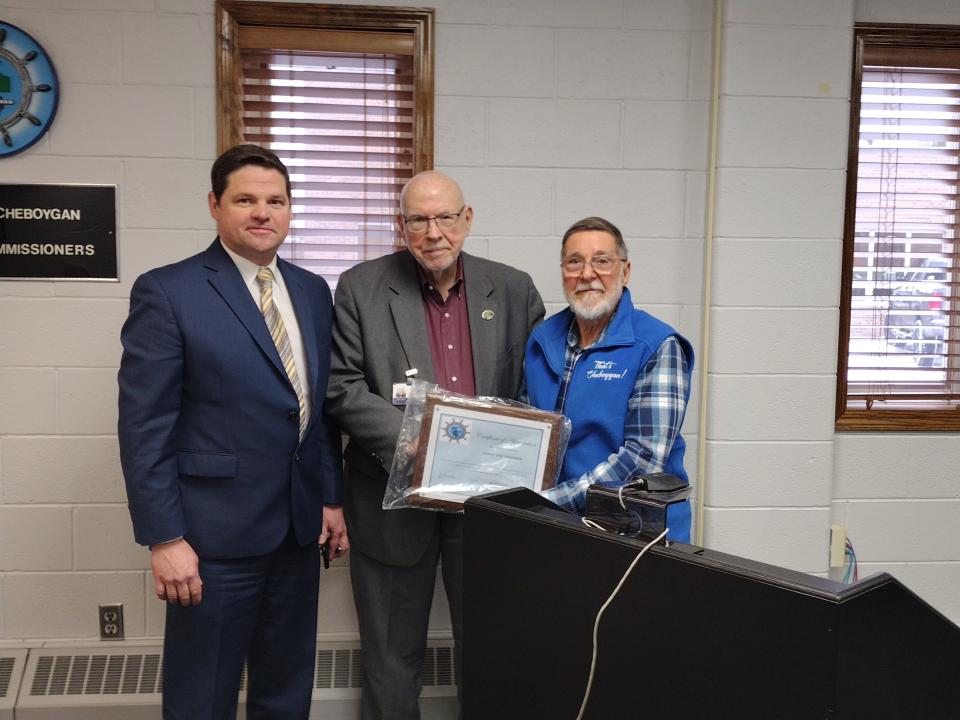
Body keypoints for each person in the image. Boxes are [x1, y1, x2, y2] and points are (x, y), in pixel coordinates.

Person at [117, 144, 348, 719]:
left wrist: (330, 497)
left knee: (285, 690)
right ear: (216, 205)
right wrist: (164, 537)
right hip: (210, 539)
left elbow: (313, 409)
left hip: (297, 532)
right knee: (203, 695)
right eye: (246, 199)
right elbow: (144, 427)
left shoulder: (313, 291)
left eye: (276, 201)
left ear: (291, 210)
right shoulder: (170, 291)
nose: (262, 213)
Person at [326, 170, 545, 719]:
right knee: (390, 657)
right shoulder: (360, 287)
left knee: (493, 651)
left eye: (445, 216)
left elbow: (537, 391)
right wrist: (427, 439)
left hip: (490, 507)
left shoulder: (513, 289)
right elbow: (341, 388)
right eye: (418, 219)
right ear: (401, 226)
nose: (433, 232)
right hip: (391, 506)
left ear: (466, 220)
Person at [523, 216, 694, 542]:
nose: (587, 274)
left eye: (601, 261)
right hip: (556, 528)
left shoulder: (657, 344)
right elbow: (526, 430)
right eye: (575, 262)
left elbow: (642, 459)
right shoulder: (542, 340)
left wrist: (545, 503)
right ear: (563, 271)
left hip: (637, 533)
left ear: (625, 270)